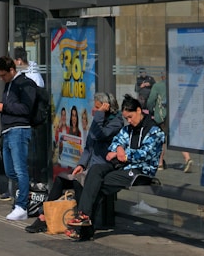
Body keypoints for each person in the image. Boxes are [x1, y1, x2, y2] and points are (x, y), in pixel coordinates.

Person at [67, 94, 165, 239]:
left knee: (98, 184)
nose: (129, 121)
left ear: (139, 110)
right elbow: (116, 142)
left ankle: (85, 225)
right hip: (122, 166)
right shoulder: (128, 129)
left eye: (130, 117)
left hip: (141, 170)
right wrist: (119, 148)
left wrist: (124, 154)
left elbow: (146, 153)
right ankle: (84, 216)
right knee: (95, 170)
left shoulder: (155, 131)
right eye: (127, 119)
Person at [25, 92, 123, 233]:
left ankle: (81, 224)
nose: (93, 110)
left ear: (106, 107)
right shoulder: (98, 121)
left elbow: (99, 135)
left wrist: (99, 115)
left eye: (97, 107)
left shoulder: (116, 122)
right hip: (91, 167)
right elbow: (89, 147)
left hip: (105, 168)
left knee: (78, 182)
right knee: (61, 179)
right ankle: (43, 217)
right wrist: (81, 164)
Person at [0, 56, 37, 221]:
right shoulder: (9, 85)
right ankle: (24, 194)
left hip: (19, 130)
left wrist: (3, 107)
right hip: (8, 130)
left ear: (12, 70)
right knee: (10, 170)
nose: (2, 79)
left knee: (20, 169)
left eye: (3, 75)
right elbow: (12, 106)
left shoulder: (25, 84)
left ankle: (22, 206)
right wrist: (0, 105)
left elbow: (26, 108)